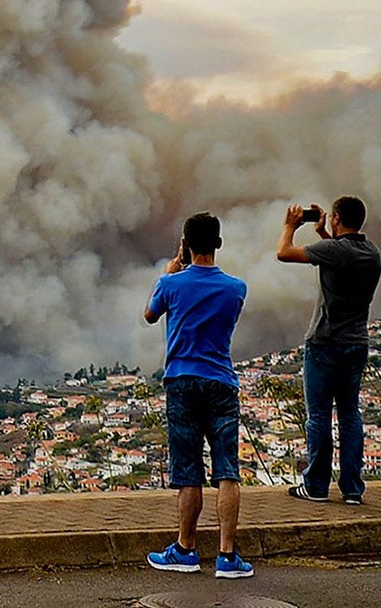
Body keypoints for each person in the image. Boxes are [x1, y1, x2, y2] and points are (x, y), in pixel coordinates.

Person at [144, 211, 253, 579]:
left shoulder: (170, 283)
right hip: (221, 382)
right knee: (227, 471)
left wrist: (173, 267)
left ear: (186, 244)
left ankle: (186, 549)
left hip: (182, 382)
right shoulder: (236, 288)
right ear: (218, 244)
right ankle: (227, 556)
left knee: (188, 472)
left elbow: (149, 314)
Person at [278, 195, 381, 503]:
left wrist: (289, 226)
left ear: (336, 218)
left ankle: (317, 486)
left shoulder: (335, 251)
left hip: (325, 343)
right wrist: (324, 234)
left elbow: (283, 253)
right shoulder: (372, 253)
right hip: (356, 344)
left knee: (319, 416)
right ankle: (352, 489)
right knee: (350, 415)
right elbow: (339, 255)